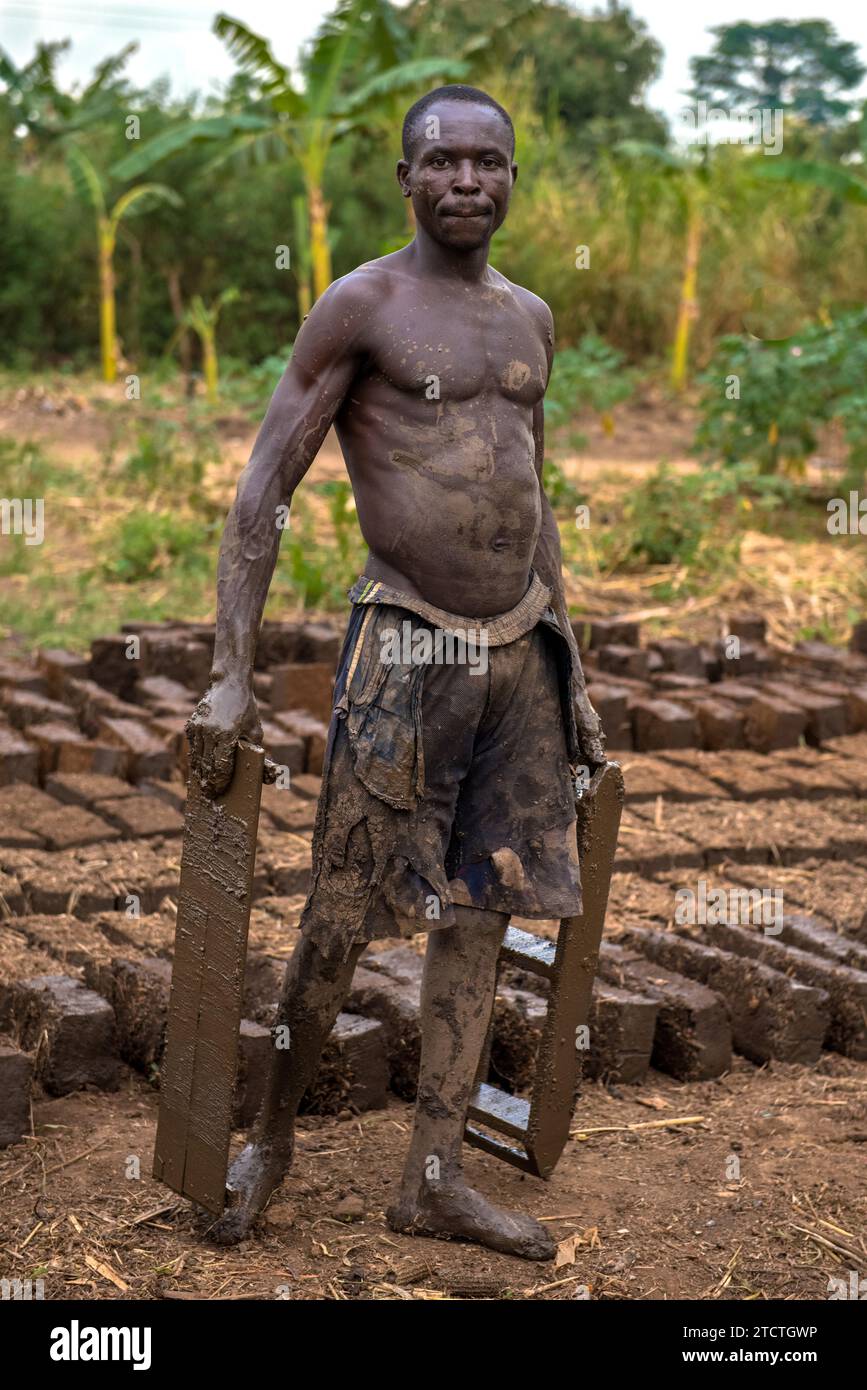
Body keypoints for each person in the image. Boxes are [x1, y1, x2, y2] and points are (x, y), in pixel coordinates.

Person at [186, 84, 606, 1259]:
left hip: (520, 646)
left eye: (491, 164)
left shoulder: (532, 316)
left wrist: (573, 661)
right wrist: (231, 674)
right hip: (405, 642)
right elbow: (263, 486)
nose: (469, 182)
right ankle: (270, 1144)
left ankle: (432, 1176)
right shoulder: (362, 306)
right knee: (339, 909)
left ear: (514, 180)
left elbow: (533, 490)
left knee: (482, 907)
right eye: (445, 162)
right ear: (407, 179)